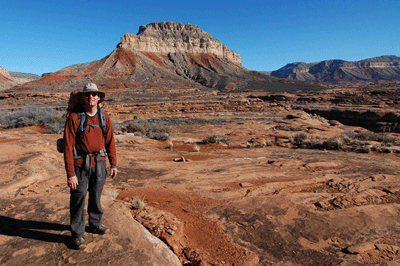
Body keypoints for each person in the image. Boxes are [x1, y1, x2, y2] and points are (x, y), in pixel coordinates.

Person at [63, 83, 118, 250]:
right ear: (83, 98)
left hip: (99, 163)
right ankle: (78, 235)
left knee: (96, 195)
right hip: (80, 165)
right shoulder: (74, 118)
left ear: (99, 97)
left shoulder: (104, 117)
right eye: (88, 95)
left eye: (94, 94)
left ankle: (95, 224)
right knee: (78, 199)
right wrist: (70, 174)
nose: (91, 97)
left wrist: (113, 163)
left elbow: (110, 141)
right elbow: (67, 146)